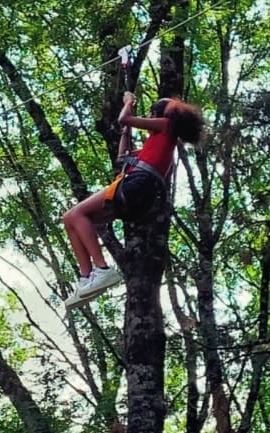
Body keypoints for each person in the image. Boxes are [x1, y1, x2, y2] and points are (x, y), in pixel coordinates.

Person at [62, 91, 205, 306]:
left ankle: (102, 269)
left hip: (136, 185)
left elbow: (124, 118)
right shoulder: (159, 146)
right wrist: (126, 133)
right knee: (72, 219)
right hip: (140, 196)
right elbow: (123, 157)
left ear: (158, 116)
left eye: (150, 114)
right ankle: (86, 277)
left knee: (76, 214)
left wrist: (129, 102)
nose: (148, 118)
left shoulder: (166, 126)